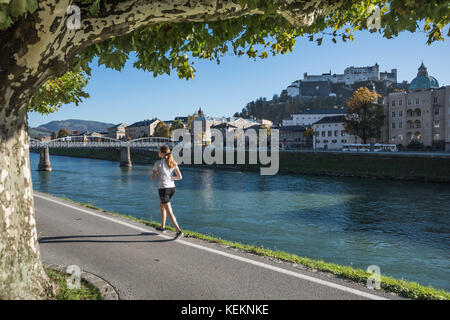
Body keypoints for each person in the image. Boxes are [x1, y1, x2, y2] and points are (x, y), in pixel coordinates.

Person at [152, 145, 183, 239]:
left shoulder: (158, 163)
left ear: (162, 153)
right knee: (162, 206)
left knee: (169, 211)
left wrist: (155, 173)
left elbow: (153, 179)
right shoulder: (173, 162)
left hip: (163, 189)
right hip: (172, 188)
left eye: (158, 151)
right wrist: (171, 178)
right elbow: (180, 177)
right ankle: (162, 227)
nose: (158, 153)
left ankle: (178, 231)